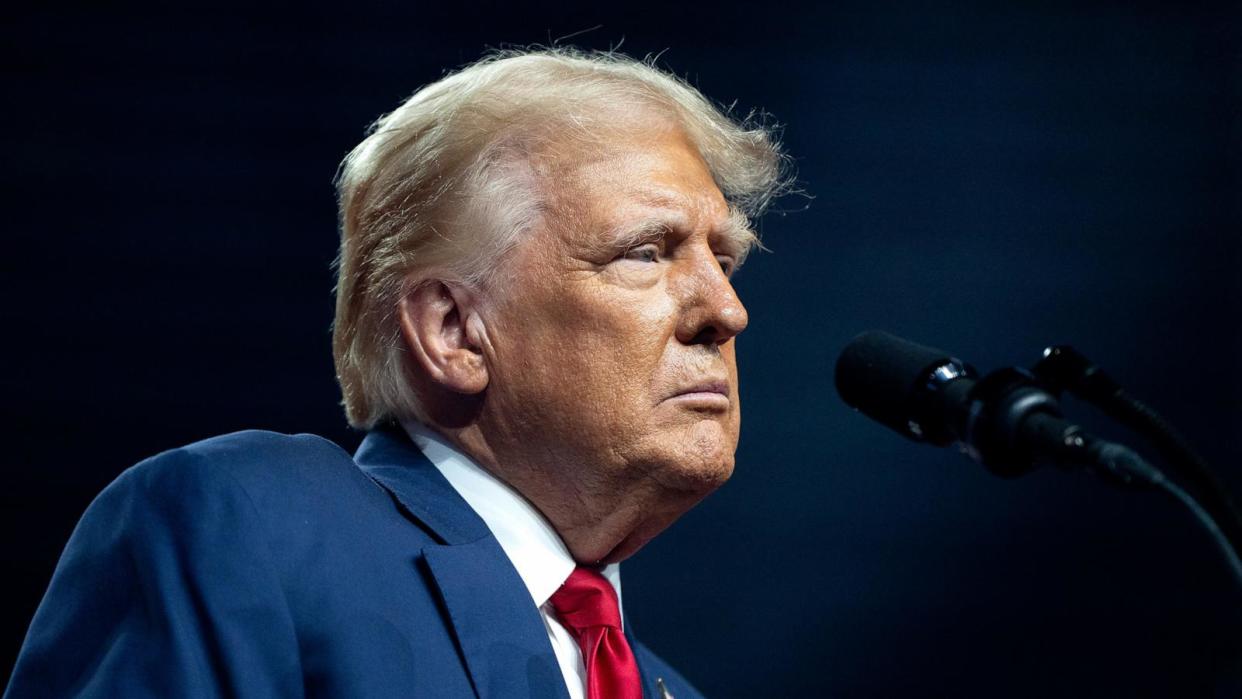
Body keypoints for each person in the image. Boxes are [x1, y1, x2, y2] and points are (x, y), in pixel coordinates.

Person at [5, 48, 789, 698]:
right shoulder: (253, 528)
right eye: (646, 252)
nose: (725, 309)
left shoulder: (670, 689)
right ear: (454, 332)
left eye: (724, 259)